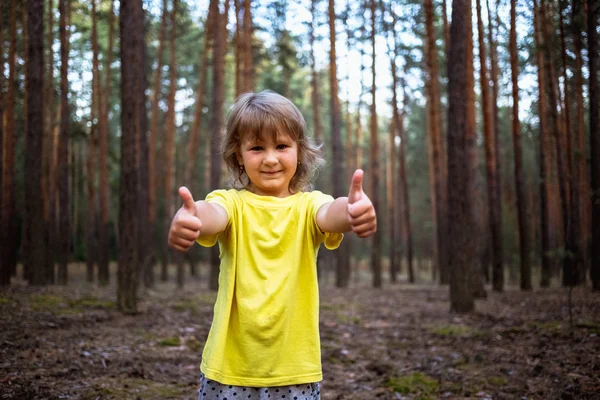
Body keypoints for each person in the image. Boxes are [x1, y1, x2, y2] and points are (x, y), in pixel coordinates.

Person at [168, 90, 377, 400]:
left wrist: (351, 211)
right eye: (256, 147)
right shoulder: (232, 203)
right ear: (238, 154)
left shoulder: (308, 205)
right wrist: (193, 217)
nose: (270, 158)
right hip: (229, 366)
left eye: (281, 146)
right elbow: (212, 215)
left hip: (294, 368)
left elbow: (330, 214)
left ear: (299, 151)